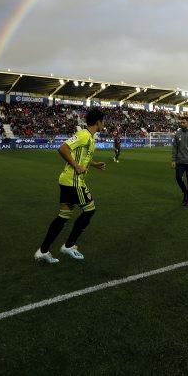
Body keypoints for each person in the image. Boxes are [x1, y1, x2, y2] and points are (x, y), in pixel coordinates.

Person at [34, 108, 107, 264]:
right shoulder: (83, 135)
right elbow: (63, 148)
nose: (104, 124)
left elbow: (81, 158)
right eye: (103, 121)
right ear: (98, 121)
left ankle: (43, 251)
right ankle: (69, 246)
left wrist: (94, 165)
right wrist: (76, 166)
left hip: (67, 180)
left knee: (63, 217)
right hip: (74, 181)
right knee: (89, 210)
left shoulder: (89, 137)